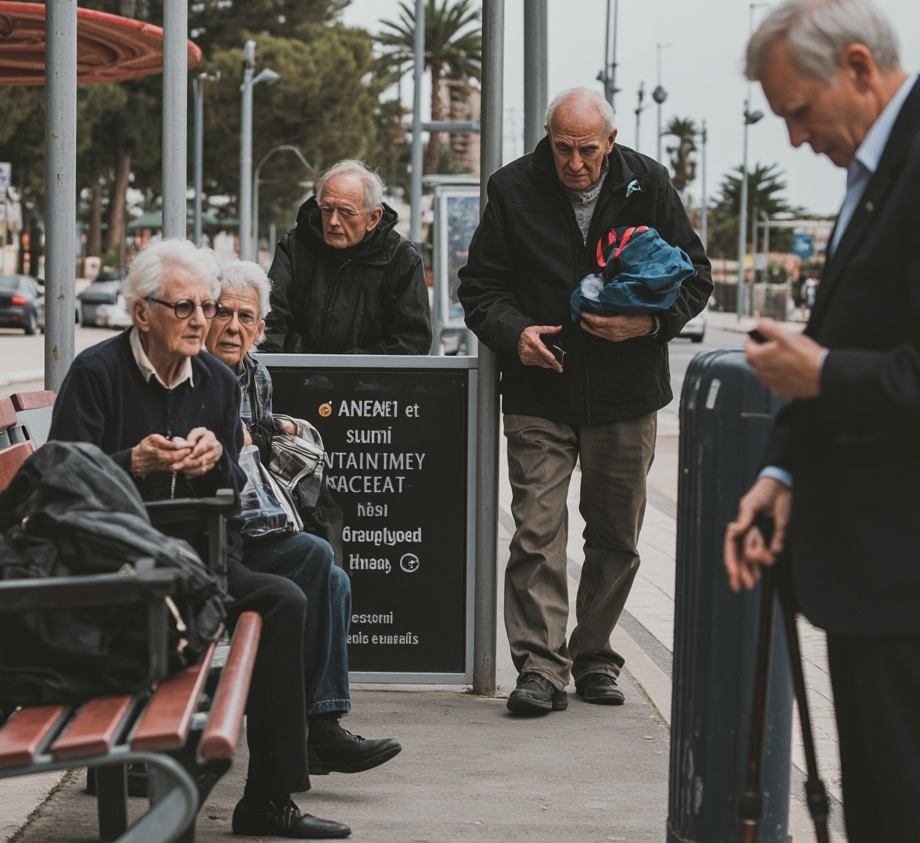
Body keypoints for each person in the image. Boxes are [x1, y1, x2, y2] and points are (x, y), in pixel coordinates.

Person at [723, 0, 920, 842]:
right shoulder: (893, 166)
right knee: (888, 809)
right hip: (889, 562)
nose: (794, 137)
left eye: (798, 111)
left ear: (858, 68)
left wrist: (818, 373)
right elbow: (851, 336)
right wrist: (782, 473)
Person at [49, 239, 350, 839]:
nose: (200, 321)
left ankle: (268, 797)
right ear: (142, 313)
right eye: (183, 307)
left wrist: (219, 462)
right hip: (115, 568)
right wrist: (130, 463)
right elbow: (60, 485)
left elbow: (229, 497)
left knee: (285, 598)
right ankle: (177, 790)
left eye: (206, 308)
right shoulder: (97, 372)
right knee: (254, 607)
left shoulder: (215, 380)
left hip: (195, 560)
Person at [457, 87, 712, 716]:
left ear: (611, 143)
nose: (574, 163)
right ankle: (541, 667)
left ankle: (595, 654)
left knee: (616, 536)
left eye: (587, 151)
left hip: (627, 394)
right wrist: (515, 333)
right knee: (537, 532)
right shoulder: (512, 187)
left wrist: (649, 327)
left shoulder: (647, 183)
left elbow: (696, 276)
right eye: (563, 149)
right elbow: (480, 287)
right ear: (548, 139)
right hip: (540, 390)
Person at [205, 258, 401, 775]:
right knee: (316, 556)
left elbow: (255, 441)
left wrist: (274, 430)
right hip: (212, 535)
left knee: (331, 577)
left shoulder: (255, 375)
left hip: (245, 528)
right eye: (222, 313)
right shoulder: (197, 378)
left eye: (246, 317)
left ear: (262, 329)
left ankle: (323, 725)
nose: (233, 327)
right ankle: (311, 735)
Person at [260, 159, 431, 355]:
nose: (333, 221)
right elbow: (270, 321)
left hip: (369, 382)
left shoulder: (402, 259)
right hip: (299, 377)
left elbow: (411, 343)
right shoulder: (294, 247)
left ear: (373, 218)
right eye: (326, 210)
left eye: (346, 212)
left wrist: (350, 370)